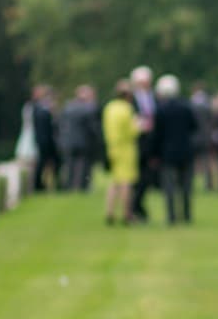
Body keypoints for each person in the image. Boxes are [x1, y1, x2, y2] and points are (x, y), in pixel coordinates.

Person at [153, 73, 197, 225]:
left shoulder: (161, 110)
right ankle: (186, 215)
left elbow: (157, 134)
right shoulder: (186, 107)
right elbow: (194, 127)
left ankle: (171, 216)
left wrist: (154, 154)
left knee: (170, 187)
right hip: (186, 151)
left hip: (168, 153)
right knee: (186, 187)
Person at [101, 80, 138, 225]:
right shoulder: (127, 109)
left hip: (112, 148)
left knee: (114, 182)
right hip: (125, 149)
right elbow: (130, 131)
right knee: (126, 183)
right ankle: (127, 214)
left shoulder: (109, 108)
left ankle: (110, 211)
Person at [129, 66, 158, 221]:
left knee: (146, 178)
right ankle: (136, 208)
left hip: (149, 143)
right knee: (137, 179)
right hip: (137, 142)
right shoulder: (132, 100)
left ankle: (137, 207)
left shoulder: (152, 97)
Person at [60, 85, 100, 192]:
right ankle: (82, 186)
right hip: (84, 141)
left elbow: (61, 124)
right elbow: (93, 128)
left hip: (68, 141)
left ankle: (69, 186)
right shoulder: (89, 108)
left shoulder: (68, 107)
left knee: (70, 165)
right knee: (84, 165)